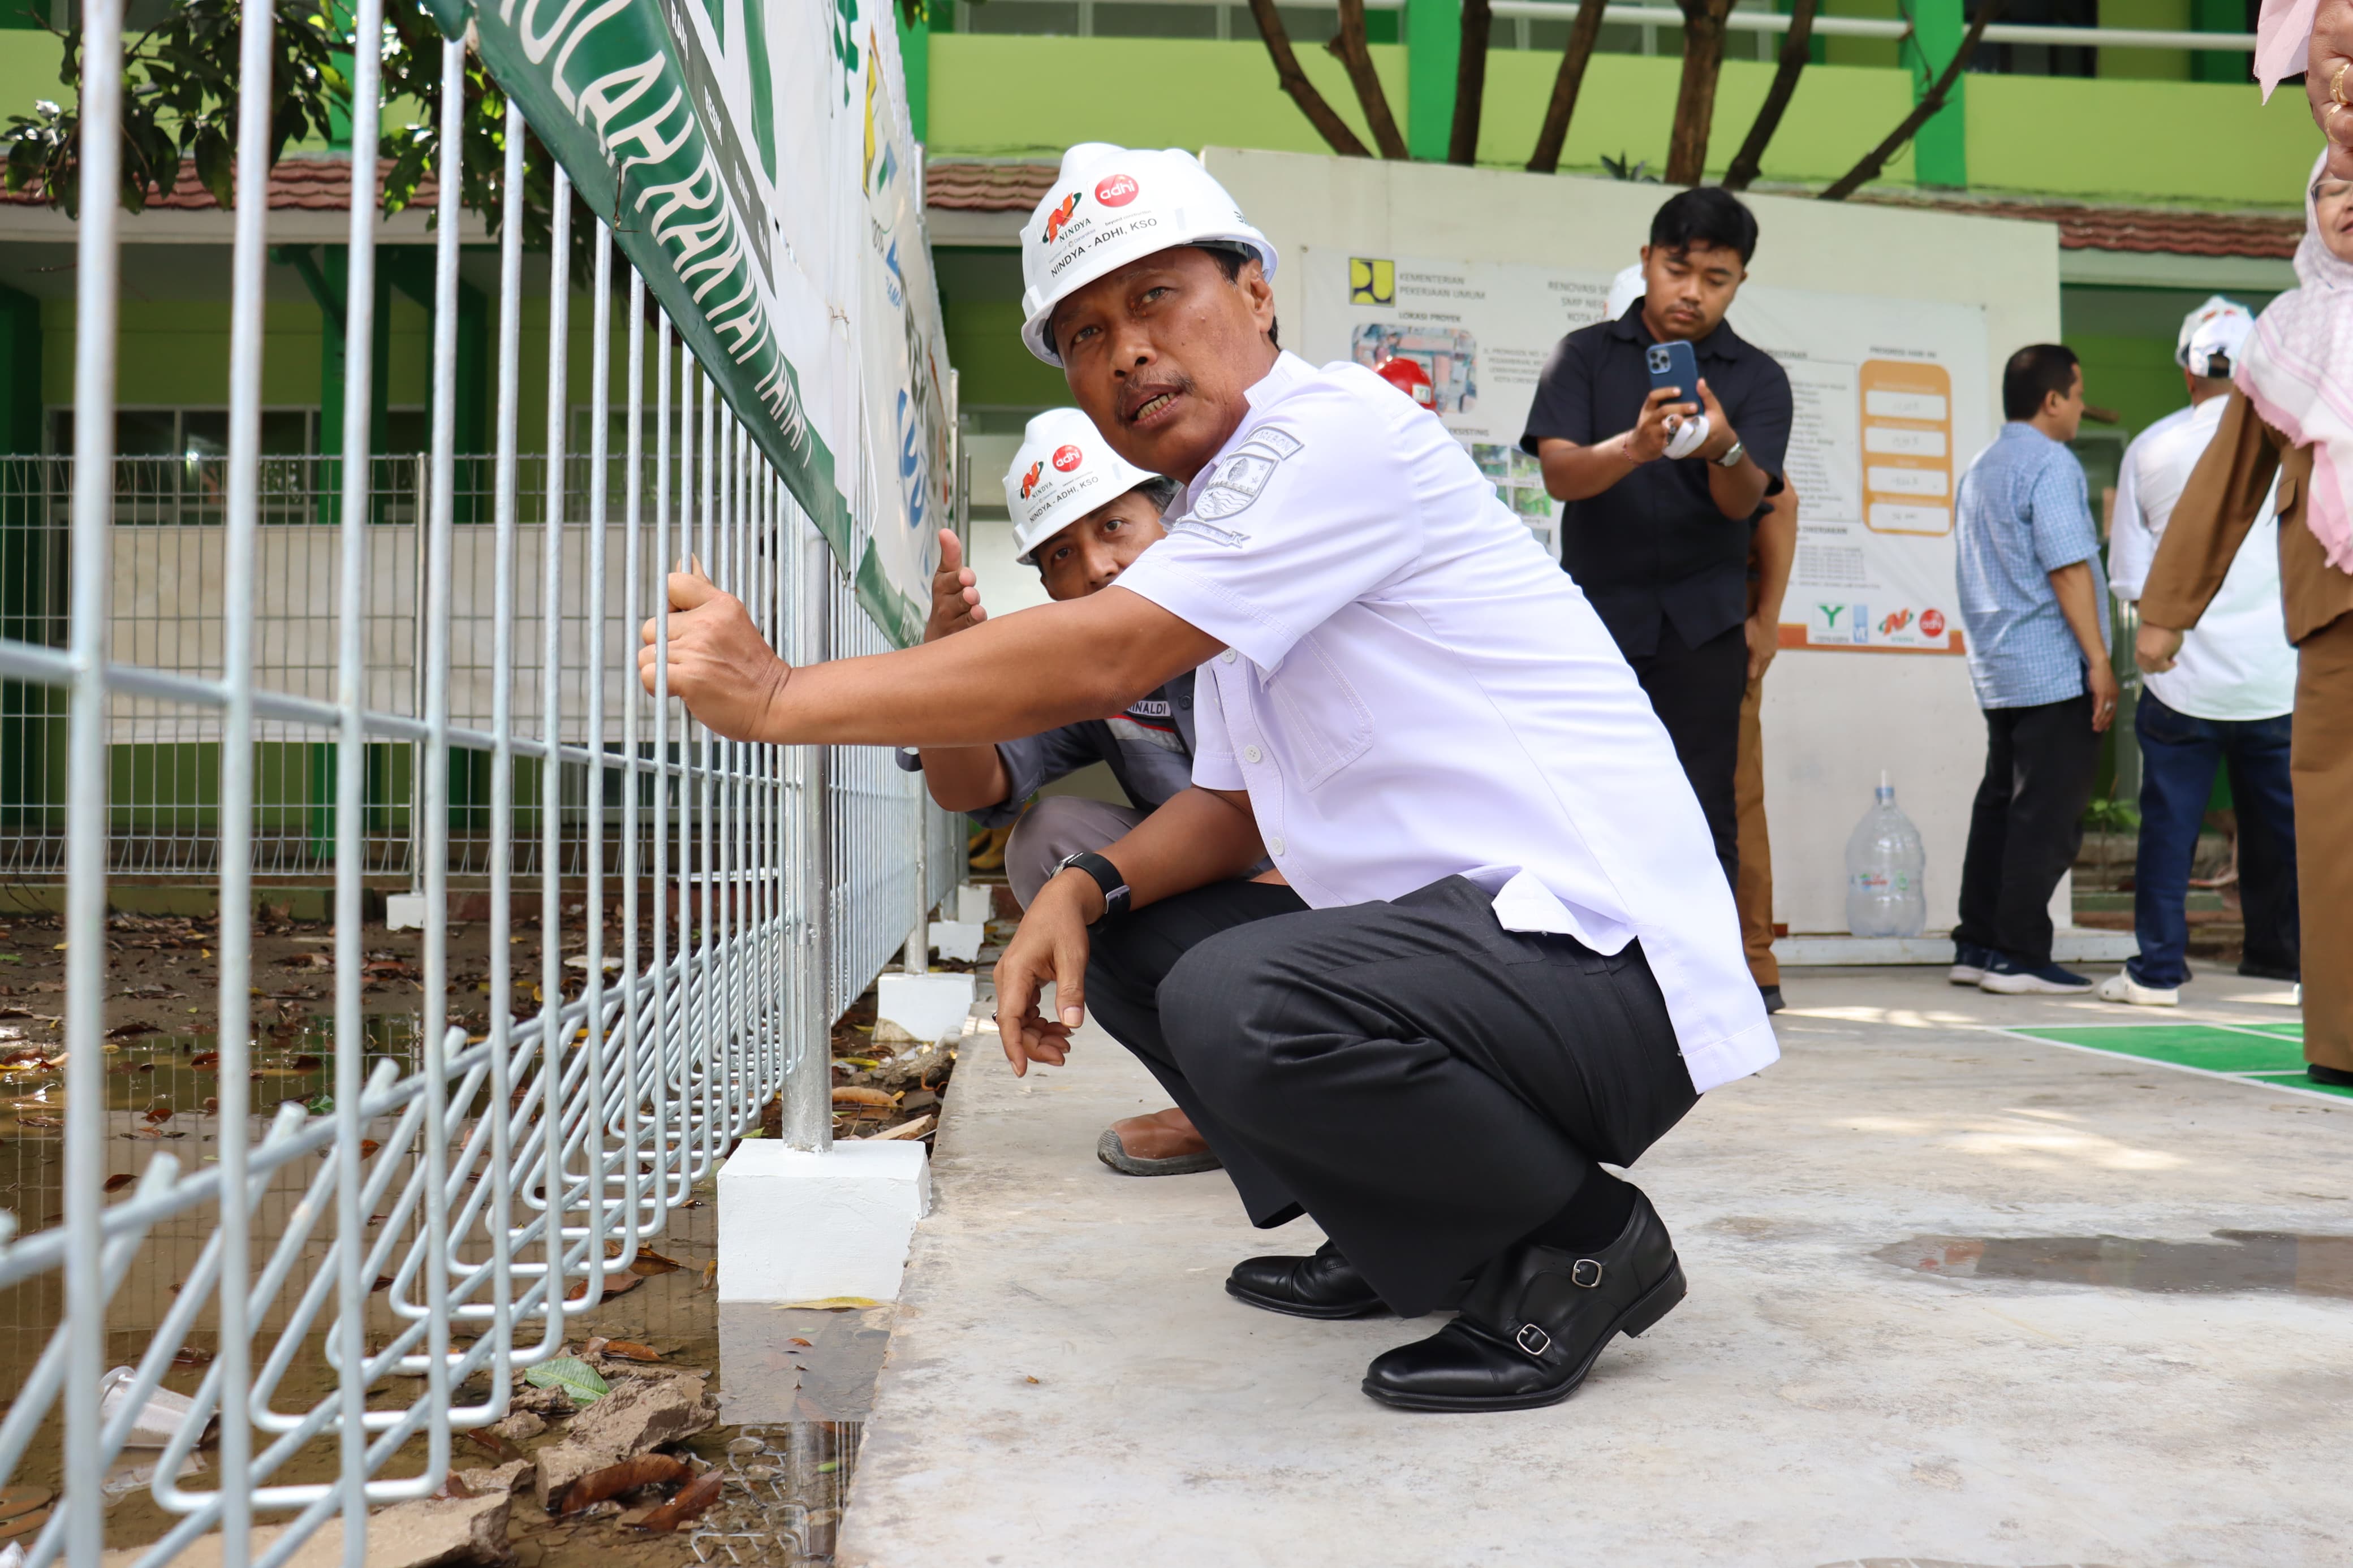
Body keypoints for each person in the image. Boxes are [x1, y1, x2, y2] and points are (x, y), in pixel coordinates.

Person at [644, 142, 1775, 1413]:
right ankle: (1420, 1226)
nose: (1124, 350)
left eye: (1154, 298)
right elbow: (1231, 810)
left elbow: (1107, 650)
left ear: (1257, 295)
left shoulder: (1331, 434)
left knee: (1247, 993)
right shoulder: (1227, 518)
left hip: (1599, 962)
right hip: (1481, 965)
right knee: (1143, 938)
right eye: (1084, 331)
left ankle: (1581, 1244)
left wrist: (783, 697)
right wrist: (1082, 891)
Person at [899, 408, 1221, 1176]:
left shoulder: (1246, 614)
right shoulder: (1094, 677)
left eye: (1116, 526)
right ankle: (1218, 1107)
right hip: (1215, 877)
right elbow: (972, 788)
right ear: (1046, 584)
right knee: (1050, 842)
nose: (1101, 567)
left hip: (1334, 880)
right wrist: (949, 671)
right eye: (1064, 555)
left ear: (1167, 514)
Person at [2140, 153, 2353, 1088]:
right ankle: (2345, 1040)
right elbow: (2227, 486)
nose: (2350, 204)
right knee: (2337, 831)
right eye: (2335, 189)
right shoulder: (2286, 334)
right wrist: (2167, 613)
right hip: (2334, 611)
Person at [1522, 188, 1794, 897]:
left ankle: (1707, 991)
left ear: (1739, 282)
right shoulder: (1581, 356)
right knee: (1584, 802)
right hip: (1594, 619)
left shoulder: (1758, 378)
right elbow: (1558, 474)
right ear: (1645, 261)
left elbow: (1748, 504)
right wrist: (1633, 448)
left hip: (1702, 628)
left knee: (1704, 811)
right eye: (1677, 269)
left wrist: (1726, 447)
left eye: (1716, 279)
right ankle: (1588, 985)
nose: (1691, 293)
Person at [2099, 299, 2298, 1008]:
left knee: (2169, 826)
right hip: (2279, 680)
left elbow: (2127, 577)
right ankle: (2287, 961)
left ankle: (2156, 970)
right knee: (2285, 828)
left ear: (2187, 373)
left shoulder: (2151, 448)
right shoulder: (2294, 447)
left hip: (2179, 680)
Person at [1948, 344, 2119, 996]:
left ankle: (1978, 943)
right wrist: (2098, 662)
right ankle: (2019, 954)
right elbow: (2067, 567)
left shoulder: (1981, 466)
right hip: (2050, 666)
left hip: (1996, 665)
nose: (2078, 408)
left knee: (1999, 804)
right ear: (2052, 400)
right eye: (2076, 396)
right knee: (2044, 815)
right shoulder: (2050, 463)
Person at [1736, 480, 1797, 1014]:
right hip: (1645, 611)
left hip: (1724, 615)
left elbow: (1782, 500)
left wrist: (1767, 619)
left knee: (1736, 794)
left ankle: (1753, 961)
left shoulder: (1729, 405)